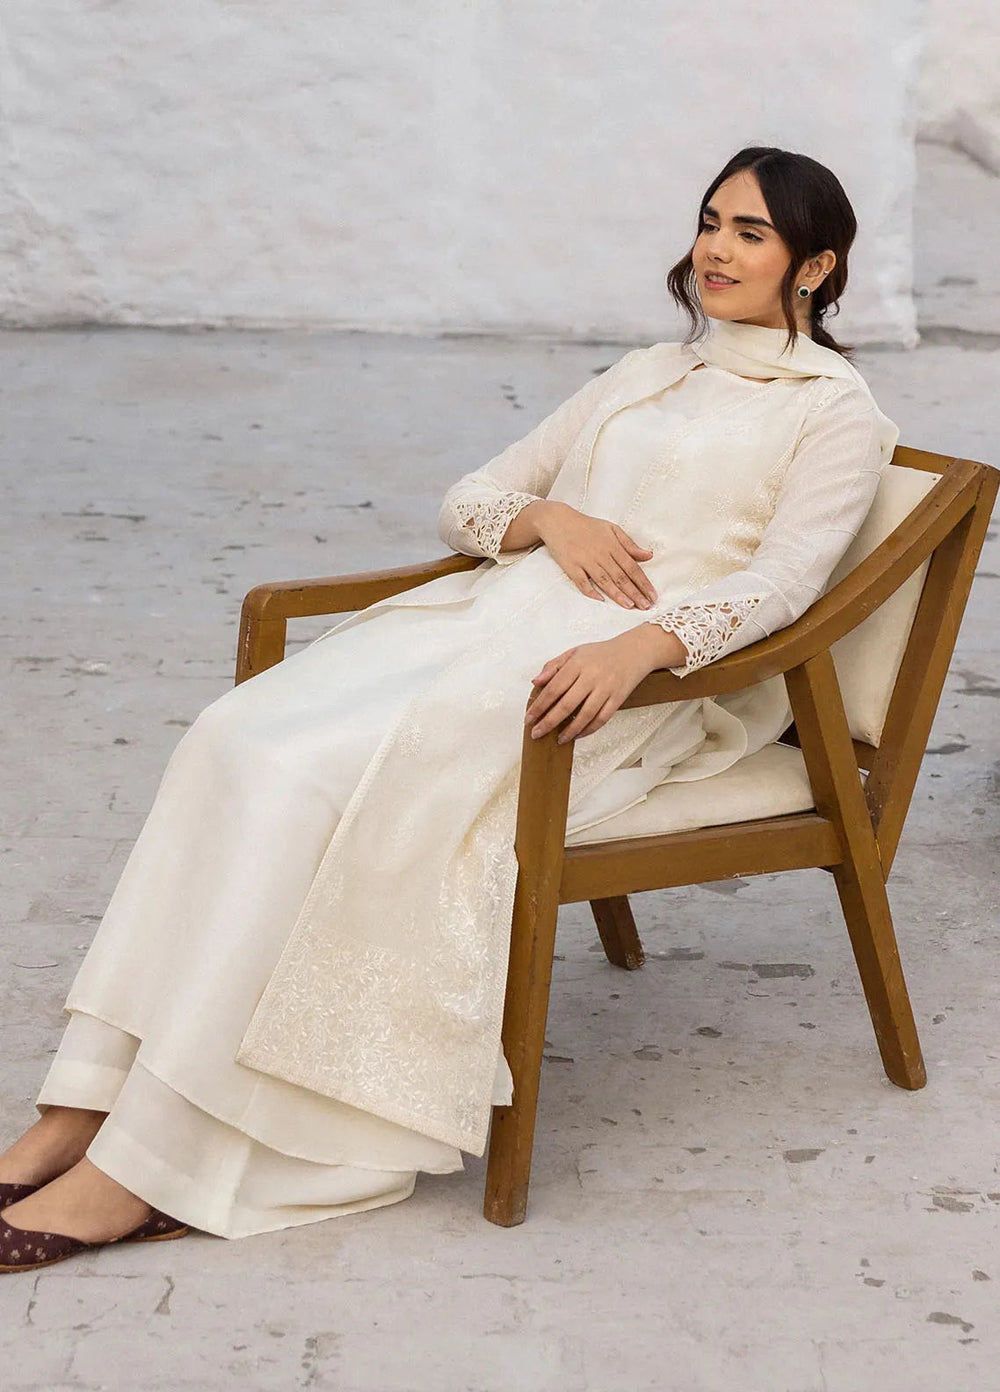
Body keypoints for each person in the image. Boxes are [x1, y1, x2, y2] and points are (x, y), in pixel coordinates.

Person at [0, 146, 898, 1271]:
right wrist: (552, 521)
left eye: (750, 233)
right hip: (487, 621)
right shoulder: (645, 372)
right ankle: (85, 1106)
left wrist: (639, 646)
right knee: (235, 739)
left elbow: (788, 581)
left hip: (622, 682)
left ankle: (152, 1165)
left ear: (814, 267)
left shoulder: (836, 413)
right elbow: (469, 500)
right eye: (711, 221)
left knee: (312, 781)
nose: (715, 249)